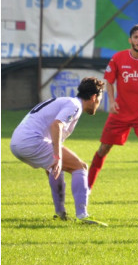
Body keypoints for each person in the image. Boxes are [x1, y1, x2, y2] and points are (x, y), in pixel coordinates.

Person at [10, 77, 107, 225]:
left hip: (17, 143)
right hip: (31, 141)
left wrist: (57, 159)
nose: (99, 103)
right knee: (80, 167)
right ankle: (82, 215)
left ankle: (60, 214)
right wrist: (58, 155)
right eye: (99, 98)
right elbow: (57, 125)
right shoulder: (74, 105)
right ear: (94, 97)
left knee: (55, 169)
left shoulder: (68, 102)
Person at [87, 24, 138, 195]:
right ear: (130, 40)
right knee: (104, 148)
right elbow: (109, 80)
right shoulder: (118, 58)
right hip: (120, 113)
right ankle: (88, 186)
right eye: (136, 37)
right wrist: (111, 101)